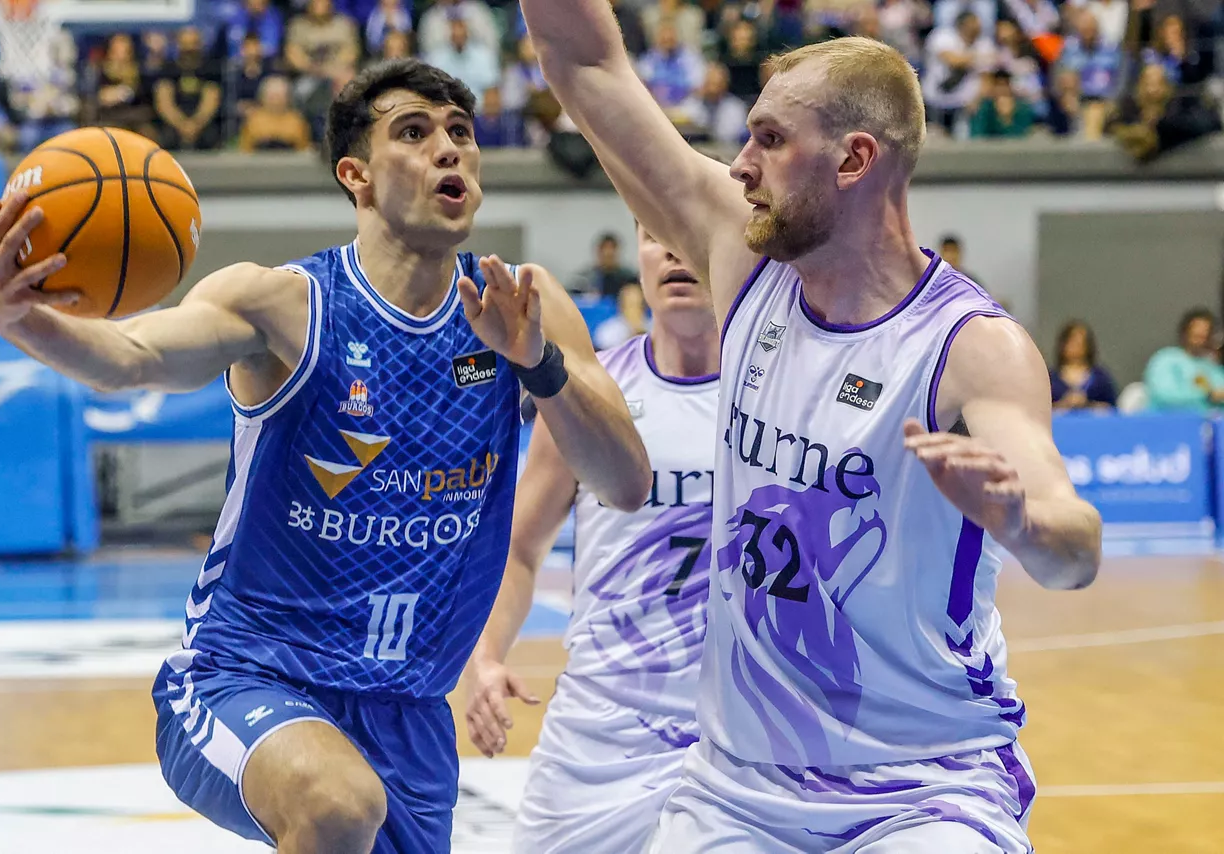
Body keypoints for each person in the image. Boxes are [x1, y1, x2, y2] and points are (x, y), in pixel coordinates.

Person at [0, 58, 651, 854]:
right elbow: (132, 356)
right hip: (245, 676)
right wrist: (23, 320)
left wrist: (538, 361)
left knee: (346, 805)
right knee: (335, 802)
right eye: (415, 131)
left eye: (461, 133)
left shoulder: (520, 304)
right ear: (355, 175)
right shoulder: (283, 303)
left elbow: (626, 482)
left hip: (411, 712)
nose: (449, 149)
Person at [520, 2, 1103, 847]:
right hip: (736, 787)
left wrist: (1018, 519)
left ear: (854, 159)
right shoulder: (743, 255)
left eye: (768, 139)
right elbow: (587, 65)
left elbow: (1076, 547)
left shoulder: (972, 349)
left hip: (924, 784)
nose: (740, 164)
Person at [465, 222, 719, 853]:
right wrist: (488, 655)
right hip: (601, 727)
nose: (673, 251)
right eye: (655, 235)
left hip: (738, 736)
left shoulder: (783, 394)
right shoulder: (589, 394)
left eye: (688, 231)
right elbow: (520, 549)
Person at [1144, 307, 1224, 412]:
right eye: (1196, 335)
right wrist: (1206, 396)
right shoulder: (1165, 359)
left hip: (1208, 423)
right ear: (1185, 332)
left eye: (1205, 335)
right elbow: (1164, 395)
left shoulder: (1211, 366)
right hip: (1169, 422)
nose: (1201, 340)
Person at [1050, 319, 1117, 410]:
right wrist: (1064, 404)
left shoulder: (1100, 378)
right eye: (1072, 342)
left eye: (1080, 342)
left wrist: (1088, 404)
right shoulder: (1051, 379)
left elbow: (1112, 408)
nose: (1076, 347)